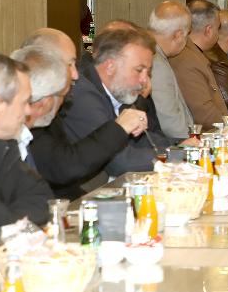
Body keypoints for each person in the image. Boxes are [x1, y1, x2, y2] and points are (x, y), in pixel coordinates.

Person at [16, 42, 138, 199]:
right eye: (69, 64)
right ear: (45, 100)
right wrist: (118, 128)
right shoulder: (6, 136)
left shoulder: (43, 121)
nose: (75, 74)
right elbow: (64, 167)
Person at [60, 27, 170, 179]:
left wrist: (181, 148)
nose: (145, 80)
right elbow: (120, 162)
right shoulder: (82, 95)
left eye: (148, 72)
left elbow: (141, 141)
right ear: (110, 67)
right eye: (139, 70)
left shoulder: (116, 92)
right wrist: (177, 156)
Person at [0, 52, 53, 227]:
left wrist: (9, 221)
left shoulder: (4, 147)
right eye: (24, 102)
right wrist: (12, 222)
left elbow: (41, 198)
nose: (28, 111)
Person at [170, 0, 228, 127]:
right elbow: (203, 112)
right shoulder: (187, 60)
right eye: (218, 28)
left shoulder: (192, 54)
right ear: (208, 30)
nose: (218, 34)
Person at [146, 1, 194, 139]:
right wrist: (194, 142)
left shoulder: (153, 53)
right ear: (178, 35)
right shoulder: (156, 62)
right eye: (187, 34)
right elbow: (170, 122)